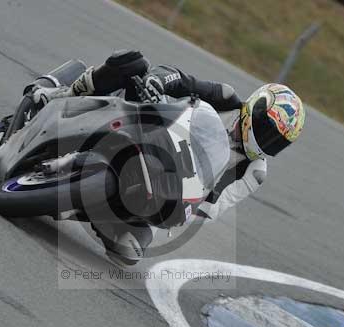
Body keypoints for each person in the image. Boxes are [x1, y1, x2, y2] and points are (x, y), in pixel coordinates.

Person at [30, 50, 305, 266]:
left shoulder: (254, 172)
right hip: (147, 126)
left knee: (130, 250)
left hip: (165, 183)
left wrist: (192, 204)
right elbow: (179, 78)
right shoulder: (225, 97)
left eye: (276, 141)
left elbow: (215, 205)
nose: (266, 140)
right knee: (132, 63)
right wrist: (157, 81)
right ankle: (61, 94)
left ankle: (84, 201)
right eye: (266, 128)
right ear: (255, 107)